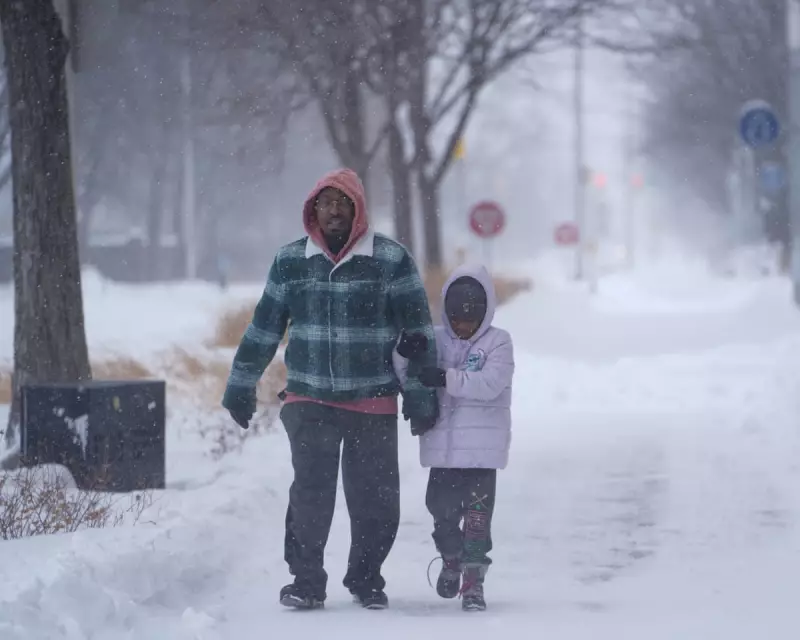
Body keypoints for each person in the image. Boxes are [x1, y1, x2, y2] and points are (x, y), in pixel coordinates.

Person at [221, 168, 439, 611]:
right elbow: (264, 328)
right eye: (325, 203)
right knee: (310, 494)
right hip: (310, 397)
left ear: (357, 209)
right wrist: (241, 383)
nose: (334, 210)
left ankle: (366, 577)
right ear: (313, 210)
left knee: (375, 500)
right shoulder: (290, 261)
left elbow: (418, 332)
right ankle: (306, 581)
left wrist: (420, 393)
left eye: (342, 202)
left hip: (372, 398)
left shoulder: (390, 259)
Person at [393, 264, 515, 612]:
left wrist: (446, 378)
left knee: (477, 521)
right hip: (444, 452)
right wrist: (403, 351)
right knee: (441, 513)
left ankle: (474, 582)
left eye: (470, 320)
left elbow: (490, 384)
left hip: (481, 456)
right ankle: (450, 559)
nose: (462, 327)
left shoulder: (498, 342)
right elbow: (407, 375)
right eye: (456, 319)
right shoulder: (435, 339)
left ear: (485, 313)